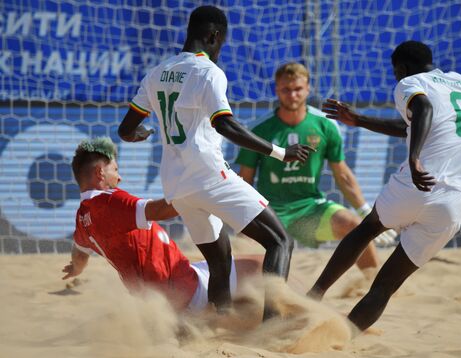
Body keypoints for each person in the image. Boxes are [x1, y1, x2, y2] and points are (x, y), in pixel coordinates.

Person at [117, 6, 313, 316]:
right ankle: (271, 327)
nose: (220, 49)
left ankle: (218, 325)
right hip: (208, 177)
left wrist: (141, 133)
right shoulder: (207, 72)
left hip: (176, 186)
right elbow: (226, 125)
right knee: (280, 242)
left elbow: (125, 130)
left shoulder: (156, 73)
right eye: (221, 43)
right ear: (213, 36)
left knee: (219, 259)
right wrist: (280, 152)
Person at [307, 40, 461, 331]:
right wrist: (359, 120)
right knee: (385, 287)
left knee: (367, 229)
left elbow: (422, 109)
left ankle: (315, 295)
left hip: (418, 182)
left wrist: (414, 159)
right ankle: (341, 339)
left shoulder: (409, 83)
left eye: (395, 72)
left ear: (400, 68)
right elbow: (412, 125)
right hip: (455, 202)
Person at [63, 137, 263, 313]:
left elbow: (80, 253)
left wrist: (76, 269)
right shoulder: (109, 202)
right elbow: (159, 211)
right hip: (189, 289)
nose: (120, 177)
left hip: (162, 299)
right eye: (115, 170)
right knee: (261, 265)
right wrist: (201, 192)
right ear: (100, 172)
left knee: (240, 282)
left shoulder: (83, 218)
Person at [236, 62, 397, 273]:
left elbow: (343, 175)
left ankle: (370, 288)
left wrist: (365, 211)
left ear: (308, 89)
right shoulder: (259, 129)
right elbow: (244, 180)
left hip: (309, 210)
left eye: (298, 89)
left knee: (355, 226)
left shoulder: (325, 125)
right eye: (286, 89)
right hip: (270, 212)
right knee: (246, 266)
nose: (292, 95)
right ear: (276, 90)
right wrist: (242, 219)